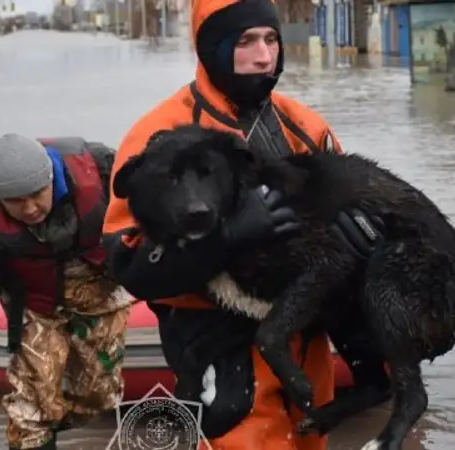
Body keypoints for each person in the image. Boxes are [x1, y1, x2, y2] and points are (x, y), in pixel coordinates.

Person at [102, 0, 384, 448]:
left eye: (271, 39)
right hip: (216, 342)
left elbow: (354, 197)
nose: (265, 56)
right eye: (245, 40)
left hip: (303, 336)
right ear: (212, 48)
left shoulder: (305, 126)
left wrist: (364, 238)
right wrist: (224, 241)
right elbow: (129, 264)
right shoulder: (161, 135)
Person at [0, 133, 134, 450]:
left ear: (51, 179)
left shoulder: (101, 171)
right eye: (16, 202)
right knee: (32, 407)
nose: (30, 208)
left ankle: (52, 419)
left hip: (97, 286)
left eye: (37, 195)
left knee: (99, 397)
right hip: (33, 301)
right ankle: (36, 432)